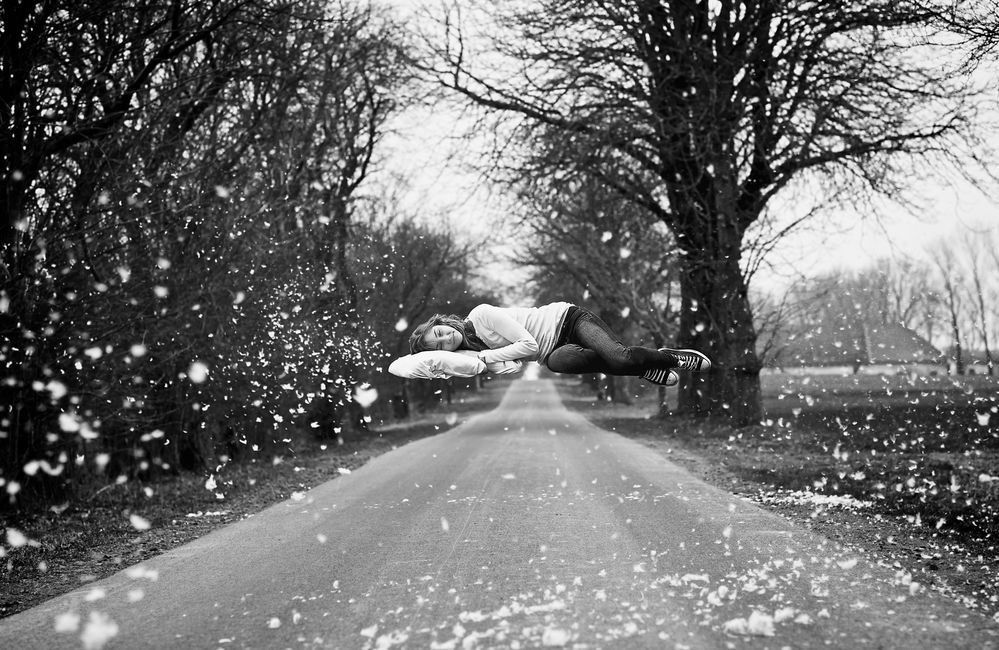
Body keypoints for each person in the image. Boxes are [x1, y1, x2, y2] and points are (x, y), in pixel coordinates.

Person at [408, 302, 710, 386]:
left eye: (440, 334)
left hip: (567, 320)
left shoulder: (482, 315)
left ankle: (668, 358)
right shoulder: (473, 356)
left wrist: (486, 357)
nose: (446, 339)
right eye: (441, 346)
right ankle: (643, 368)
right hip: (551, 353)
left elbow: (526, 345)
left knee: (620, 358)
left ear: (442, 324)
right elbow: (514, 368)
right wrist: (468, 366)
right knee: (561, 364)